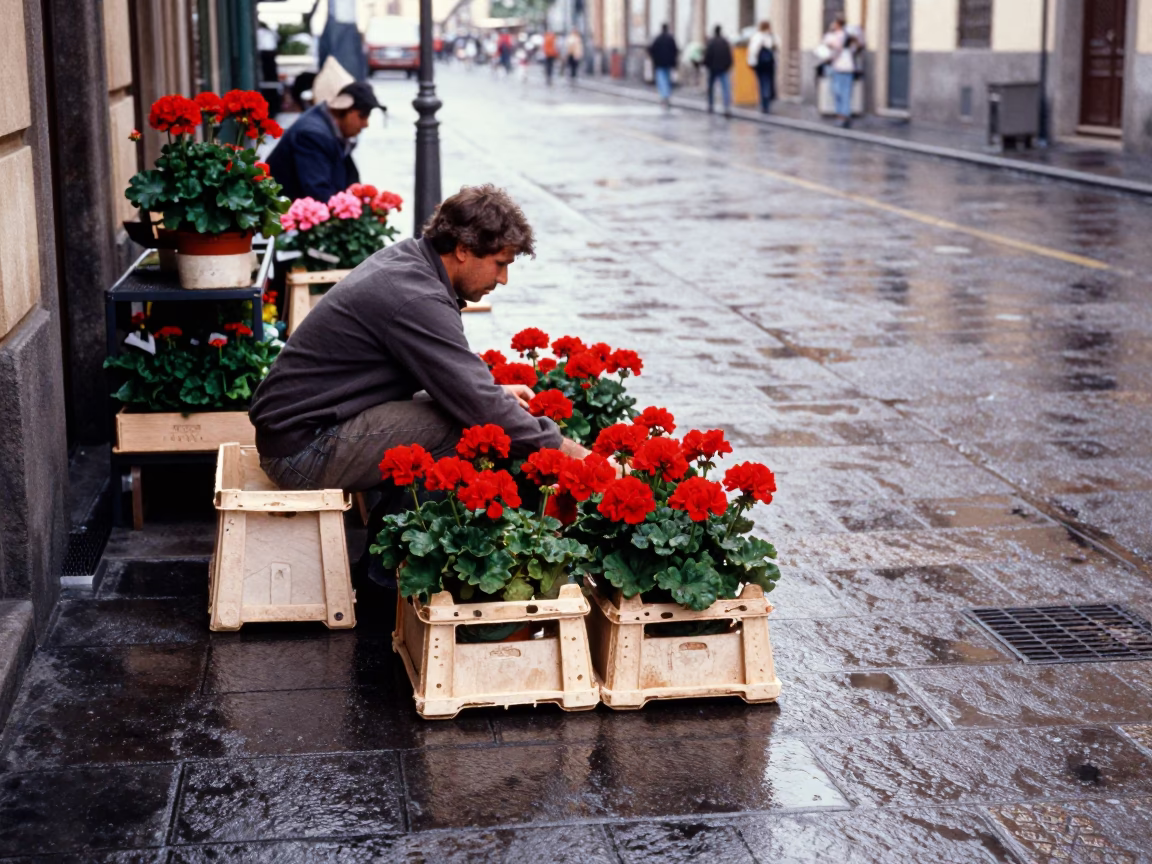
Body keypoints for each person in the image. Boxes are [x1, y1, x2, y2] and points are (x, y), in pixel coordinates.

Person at [250, 185, 593, 507]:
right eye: (499, 264)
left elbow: (457, 383)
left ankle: (391, 558)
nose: (503, 279)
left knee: (468, 411)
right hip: (303, 453)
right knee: (468, 427)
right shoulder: (416, 297)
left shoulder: (411, 262)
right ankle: (398, 565)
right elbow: (477, 406)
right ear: (462, 250)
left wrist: (495, 393)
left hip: (303, 434)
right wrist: (571, 452)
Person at [265, 81, 384, 203]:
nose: (366, 124)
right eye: (362, 116)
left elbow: (350, 181)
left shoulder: (330, 128)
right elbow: (319, 192)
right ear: (345, 110)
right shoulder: (313, 135)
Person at [822, 14, 858, 127]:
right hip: (848, 66)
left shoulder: (836, 36)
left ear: (837, 24)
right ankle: (845, 115)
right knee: (845, 92)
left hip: (839, 66)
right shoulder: (849, 36)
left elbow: (833, 47)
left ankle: (841, 116)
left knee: (838, 92)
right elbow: (855, 49)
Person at [702, 25, 733, 116]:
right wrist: (728, 66)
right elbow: (729, 56)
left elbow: (707, 56)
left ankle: (711, 105)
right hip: (723, 68)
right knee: (726, 88)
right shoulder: (725, 42)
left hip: (713, 69)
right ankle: (726, 107)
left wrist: (706, 65)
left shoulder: (711, 42)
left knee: (711, 88)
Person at [747, 21, 776, 114]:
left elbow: (753, 51)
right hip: (770, 63)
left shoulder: (757, 36)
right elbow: (777, 46)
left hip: (760, 63)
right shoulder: (771, 36)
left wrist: (751, 62)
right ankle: (767, 103)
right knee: (768, 82)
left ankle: (764, 105)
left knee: (761, 83)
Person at [648, 24, 679, 109]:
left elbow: (651, 49)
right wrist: (673, 61)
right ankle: (667, 96)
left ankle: (664, 96)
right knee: (667, 80)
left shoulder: (658, 39)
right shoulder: (670, 39)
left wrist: (655, 59)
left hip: (659, 63)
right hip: (668, 63)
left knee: (661, 80)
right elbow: (675, 50)